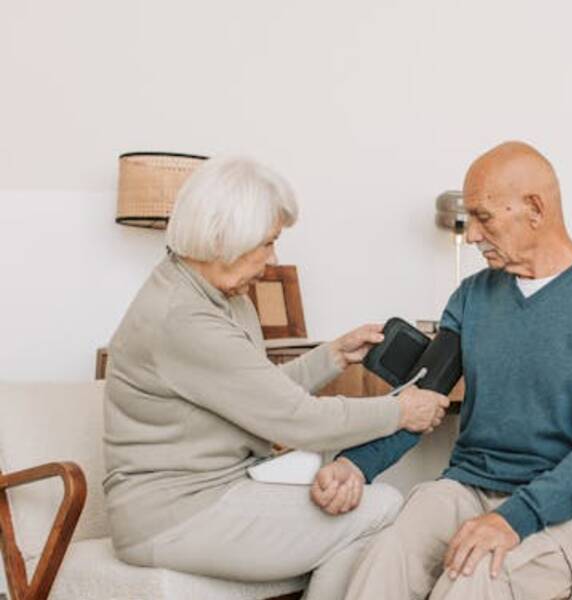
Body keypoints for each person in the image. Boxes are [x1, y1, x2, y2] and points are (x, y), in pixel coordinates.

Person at [312, 141, 572, 600]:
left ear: (535, 208)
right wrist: (357, 464)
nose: (471, 235)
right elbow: (422, 400)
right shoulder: (471, 297)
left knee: (473, 578)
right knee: (388, 553)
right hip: (471, 485)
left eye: (483, 217)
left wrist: (515, 519)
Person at [103, 156, 450, 600]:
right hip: (173, 518)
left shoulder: (221, 296)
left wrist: (332, 357)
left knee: (352, 504)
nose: (273, 259)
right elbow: (298, 420)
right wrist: (402, 410)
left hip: (215, 495)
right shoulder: (182, 319)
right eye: (268, 243)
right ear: (226, 239)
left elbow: (255, 391)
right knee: (381, 508)